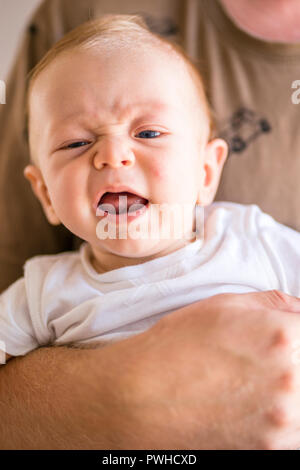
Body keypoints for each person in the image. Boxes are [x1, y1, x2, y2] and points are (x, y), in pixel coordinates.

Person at [1, 0, 300, 450]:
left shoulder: (251, 239)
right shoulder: (41, 292)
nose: (112, 155)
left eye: (148, 133)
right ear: (44, 193)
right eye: (77, 142)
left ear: (205, 172)